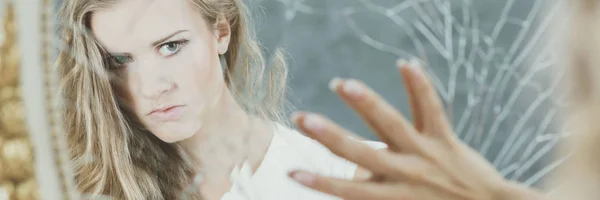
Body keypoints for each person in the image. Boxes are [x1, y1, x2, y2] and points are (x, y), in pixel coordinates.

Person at [55, 0, 382, 199]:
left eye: (171, 46)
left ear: (221, 31)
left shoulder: (358, 178)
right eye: (121, 61)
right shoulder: (79, 186)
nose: (152, 87)